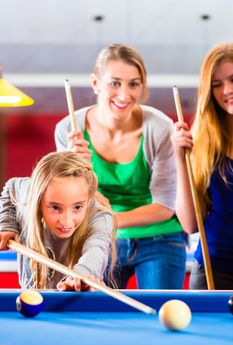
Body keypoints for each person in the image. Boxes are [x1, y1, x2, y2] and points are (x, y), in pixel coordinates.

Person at [55, 43, 187, 289]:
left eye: (133, 84)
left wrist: (107, 220)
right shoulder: (68, 129)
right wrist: (77, 170)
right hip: (100, 241)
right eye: (114, 83)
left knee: (162, 315)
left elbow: (165, 207)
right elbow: (70, 203)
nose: (124, 95)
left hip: (160, 238)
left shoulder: (160, 128)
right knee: (96, 317)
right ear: (96, 83)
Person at [0, 151, 116, 290]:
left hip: (75, 302)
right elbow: (11, 187)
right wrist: (7, 225)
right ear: (38, 200)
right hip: (33, 298)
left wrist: (81, 276)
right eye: (55, 208)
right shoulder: (28, 195)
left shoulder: (100, 218)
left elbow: (96, 250)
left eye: (77, 207)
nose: (66, 221)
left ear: (89, 200)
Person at [171, 42, 233, 289]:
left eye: (232, 79)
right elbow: (189, 224)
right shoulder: (201, 141)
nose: (226, 90)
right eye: (216, 84)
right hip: (213, 271)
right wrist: (179, 157)